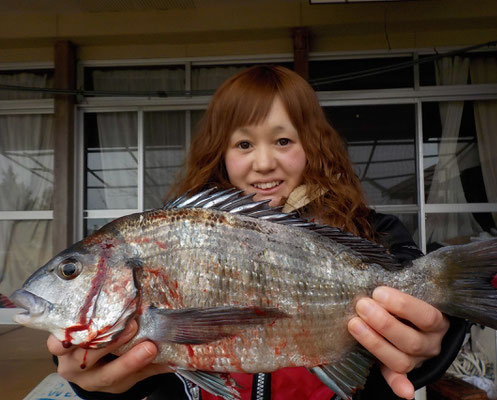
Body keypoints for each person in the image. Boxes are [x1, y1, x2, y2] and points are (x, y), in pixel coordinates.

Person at [48, 65, 467, 400]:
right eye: (244, 145)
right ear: (221, 153)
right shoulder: (179, 232)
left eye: (283, 140)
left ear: (313, 145)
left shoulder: (374, 231)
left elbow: (419, 318)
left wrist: (433, 341)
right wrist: (99, 379)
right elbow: (151, 378)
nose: (264, 163)